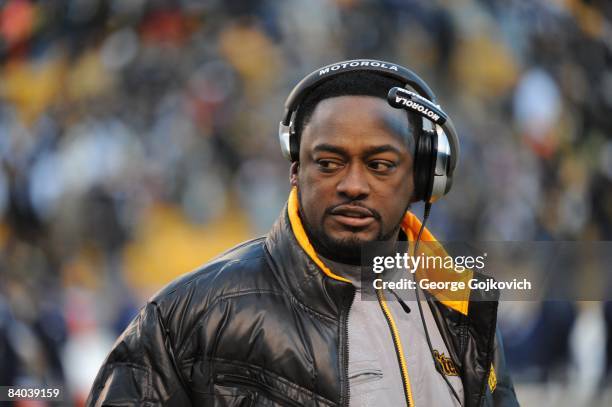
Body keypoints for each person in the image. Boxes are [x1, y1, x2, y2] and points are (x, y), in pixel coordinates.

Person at [87, 60, 519, 406]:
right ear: (296, 171)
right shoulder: (188, 316)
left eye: (380, 165)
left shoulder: (464, 305)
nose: (352, 185)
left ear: (424, 179)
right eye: (328, 163)